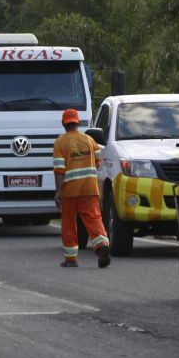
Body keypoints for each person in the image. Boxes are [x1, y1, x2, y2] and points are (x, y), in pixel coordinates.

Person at [53, 108, 111, 268]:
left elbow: (59, 170)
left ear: (64, 124)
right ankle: (102, 246)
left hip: (70, 190)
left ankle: (71, 258)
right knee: (93, 218)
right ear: (77, 122)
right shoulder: (89, 140)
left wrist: (58, 192)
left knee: (69, 223)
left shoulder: (60, 142)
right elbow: (98, 161)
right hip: (90, 188)